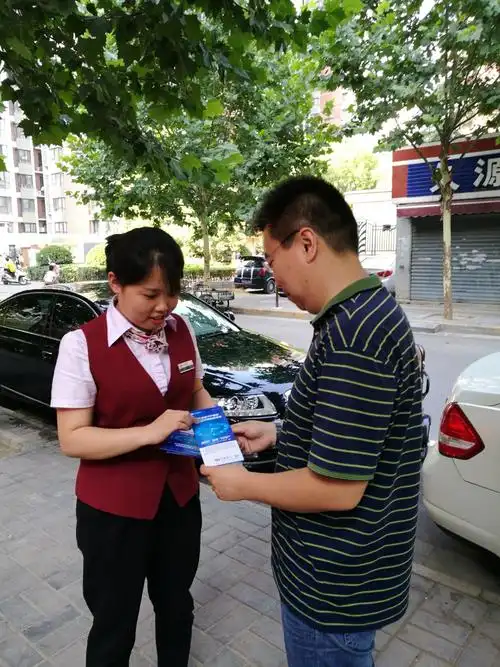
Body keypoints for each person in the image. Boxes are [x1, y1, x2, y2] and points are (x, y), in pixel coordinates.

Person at [201, 176, 423, 667]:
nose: (271, 275)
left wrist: (241, 485)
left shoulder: (354, 336)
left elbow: (336, 490)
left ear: (306, 243)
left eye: (271, 259)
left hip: (331, 589)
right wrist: (279, 433)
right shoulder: (359, 314)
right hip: (338, 578)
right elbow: (358, 438)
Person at [51, 227, 214, 667]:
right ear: (115, 283)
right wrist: (149, 432)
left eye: (173, 293)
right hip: (112, 513)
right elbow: (72, 437)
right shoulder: (80, 346)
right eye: (151, 294)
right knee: (114, 621)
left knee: (176, 605)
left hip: (178, 500)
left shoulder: (181, 330)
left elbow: (194, 390)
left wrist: (219, 434)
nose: (164, 306)